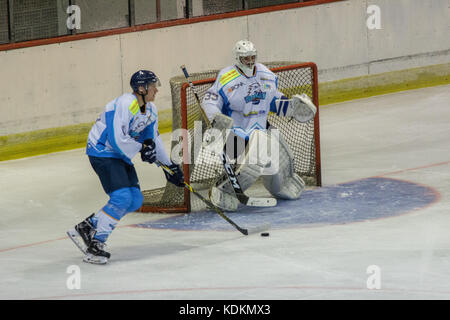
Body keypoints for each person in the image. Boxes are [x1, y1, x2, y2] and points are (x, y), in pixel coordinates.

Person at [67, 70, 184, 264]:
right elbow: (116, 139)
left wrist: (169, 166)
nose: (156, 89)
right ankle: (96, 244)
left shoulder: (151, 110)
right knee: (121, 198)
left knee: (135, 200)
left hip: (119, 154)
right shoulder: (124, 104)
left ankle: (88, 226)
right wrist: (141, 149)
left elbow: (152, 140)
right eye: (152, 85)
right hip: (102, 152)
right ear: (141, 88)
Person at [201, 40, 317, 211]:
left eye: (252, 57)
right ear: (237, 58)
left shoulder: (265, 74)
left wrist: (291, 106)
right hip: (235, 138)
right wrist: (216, 122)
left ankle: (283, 184)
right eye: (245, 58)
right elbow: (210, 101)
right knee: (254, 159)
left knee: (281, 159)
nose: (249, 61)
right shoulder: (226, 78)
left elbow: (272, 100)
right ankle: (225, 191)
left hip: (260, 132)